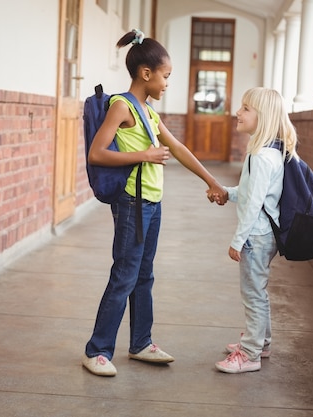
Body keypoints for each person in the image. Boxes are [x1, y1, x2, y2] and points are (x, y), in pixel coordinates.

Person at [83, 29, 227, 377]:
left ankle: (141, 343)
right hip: (132, 203)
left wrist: (212, 181)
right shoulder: (122, 106)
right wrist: (144, 153)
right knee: (125, 275)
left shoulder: (148, 112)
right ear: (146, 74)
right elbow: (97, 153)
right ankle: (97, 350)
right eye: (166, 76)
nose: (167, 84)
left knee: (144, 275)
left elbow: (177, 148)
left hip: (152, 203)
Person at [210, 87, 297, 373]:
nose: (238, 112)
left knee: (253, 294)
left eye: (246, 108)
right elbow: (250, 194)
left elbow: (253, 205)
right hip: (263, 234)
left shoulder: (261, 157)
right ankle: (262, 342)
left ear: (264, 116)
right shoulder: (267, 152)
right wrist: (227, 192)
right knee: (257, 291)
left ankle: (249, 354)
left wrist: (238, 240)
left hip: (256, 237)